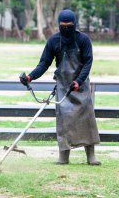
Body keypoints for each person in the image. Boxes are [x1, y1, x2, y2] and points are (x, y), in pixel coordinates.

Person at [20, 9, 101, 165]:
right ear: (59, 25)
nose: (66, 29)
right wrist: (30, 77)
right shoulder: (53, 41)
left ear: (74, 25)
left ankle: (91, 156)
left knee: (87, 119)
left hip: (81, 86)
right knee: (64, 121)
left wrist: (79, 81)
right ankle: (63, 156)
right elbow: (44, 63)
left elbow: (87, 63)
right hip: (63, 86)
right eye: (63, 26)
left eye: (69, 26)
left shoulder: (83, 40)